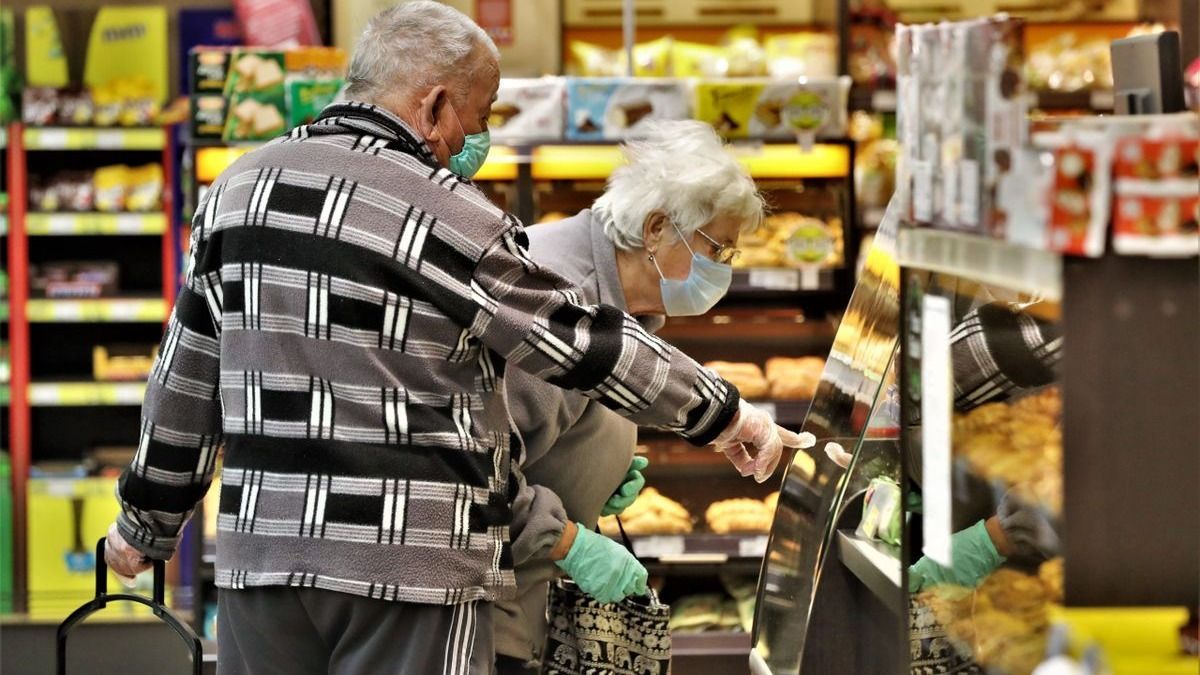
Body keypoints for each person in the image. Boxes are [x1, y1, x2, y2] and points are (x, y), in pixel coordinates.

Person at [101, 3, 807, 673]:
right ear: (436, 105)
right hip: (410, 574)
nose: (480, 133)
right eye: (483, 112)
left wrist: (145, 523)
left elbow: (186, 378)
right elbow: (575, 339)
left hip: (266, 560)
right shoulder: (444, 214)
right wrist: (725, 415)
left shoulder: (236, 190)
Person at [496, 120, 779, 673]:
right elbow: (469, 473)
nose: (723, 269)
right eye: (718, 249)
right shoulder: (562, 296)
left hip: (531, 593)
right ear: (655, 230)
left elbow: (561, 414)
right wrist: (567, 540)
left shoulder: (623, 293)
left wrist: (594, 464)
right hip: (494, 607)